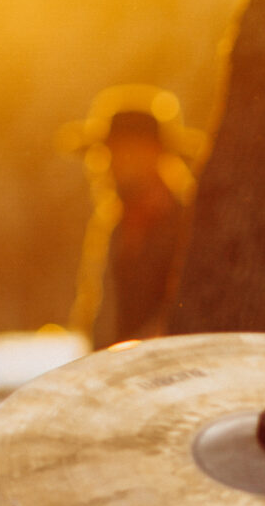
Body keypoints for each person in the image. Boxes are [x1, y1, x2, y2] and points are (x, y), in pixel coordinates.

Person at [63, 84, 196, 346]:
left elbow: (184, 310)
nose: (109, 164)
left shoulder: (187, 225)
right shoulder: (118, 225)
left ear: (153, 154)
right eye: (108, 153)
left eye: (121, 152)